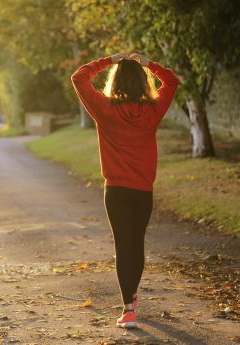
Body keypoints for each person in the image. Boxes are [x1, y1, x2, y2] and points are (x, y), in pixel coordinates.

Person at [70, 52, 179, 328]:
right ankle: (131, 297)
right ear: (143, 83)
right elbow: (172, 81)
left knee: (123, 245)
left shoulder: (104, 109)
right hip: (142, 191)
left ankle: (128, 308)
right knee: (136, 244)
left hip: (116, 191)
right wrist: (149, 64)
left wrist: (109, 60)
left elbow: (79, 77)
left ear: (115, 82)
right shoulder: (153, 110)